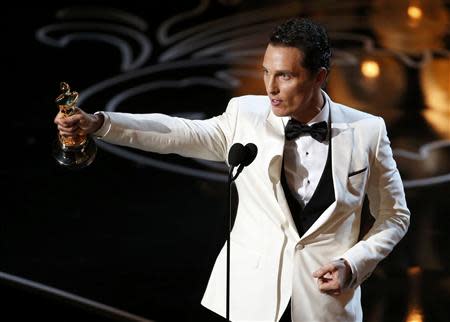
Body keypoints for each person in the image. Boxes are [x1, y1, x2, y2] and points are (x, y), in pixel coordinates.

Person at [54, 17, 410, 322]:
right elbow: (179, 133)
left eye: (284, 76)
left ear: (319, 77)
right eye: (266, 72)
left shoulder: (366, 131)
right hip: (249, 300)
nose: (270, 88)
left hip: (325, 305)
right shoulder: (245, 115)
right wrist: (101, 123)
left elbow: (394, 216)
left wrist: (353, 264)